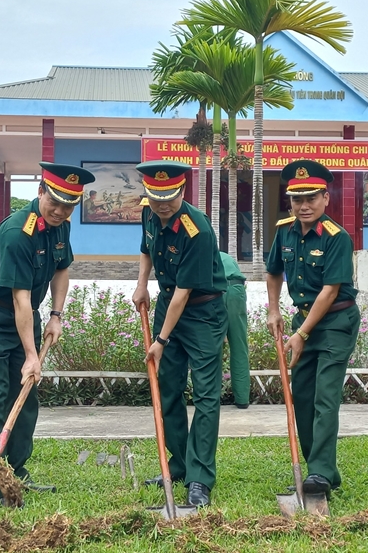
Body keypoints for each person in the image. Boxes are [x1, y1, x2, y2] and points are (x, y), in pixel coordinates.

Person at [0, 162, 94, 502]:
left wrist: (56, 315)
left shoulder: (60, 225)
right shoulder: (18, 232)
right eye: (55, 201)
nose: (60, 210)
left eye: (68, 206)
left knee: (26, 400)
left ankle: (18, 471)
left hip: (26, 317)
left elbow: (62, 270)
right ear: (40, 192)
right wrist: (32, 355)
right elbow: (20, 298)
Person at [132, 161, 228, 508]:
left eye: (169, 197)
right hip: (166, 303)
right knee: (168, 390)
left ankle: (200, 480)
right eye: (156, 197)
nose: (162, 204)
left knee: (205, 396)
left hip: (202, 312)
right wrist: (142, 285)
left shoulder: (196, 230)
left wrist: (160, 341)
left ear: (183, 191)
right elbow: (146, 249)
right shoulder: (149, 213)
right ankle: (178, 466)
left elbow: (185, 293)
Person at [266, 160, 360, 500]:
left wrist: (302, 334)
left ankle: (319, 473)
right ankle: (323, 471)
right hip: (302, 320)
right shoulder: (284, 230)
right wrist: (274, 310)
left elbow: (330, 290)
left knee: (325, 397)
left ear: (325, 198)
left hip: (336, 322)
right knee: (302, 397)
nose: (303, 206)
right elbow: (273, 272)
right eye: (296, 199)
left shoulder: (337, 238)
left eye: (310, 198)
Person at [219, 251, 250, 408]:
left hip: (215, 293)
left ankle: (211, 397)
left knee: (213, 348)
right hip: (236, 290)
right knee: (239, 346)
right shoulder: (227, 257)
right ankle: (242, 400)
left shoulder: (201, 255)